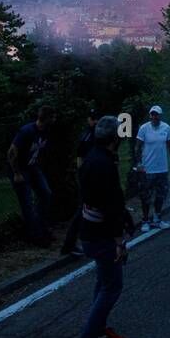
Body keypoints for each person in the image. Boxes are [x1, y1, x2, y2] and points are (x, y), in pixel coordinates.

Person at [72, 115, 137, 338]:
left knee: (102, 283)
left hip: (91, 232)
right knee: (112, 286)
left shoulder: (93, 157)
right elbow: (110, 206)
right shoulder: (104, 164)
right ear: (115, 137)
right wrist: (119, 241)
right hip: (101, 236)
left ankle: (98, 330)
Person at [8, 105, 56, 245]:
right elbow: (11, 153)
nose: (55, 119)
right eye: (53, 116)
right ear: (46, 118)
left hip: (32, 166)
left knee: (46, 193)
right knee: (27, 203)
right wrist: (16, 173)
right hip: (20, 169)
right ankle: (35, 236)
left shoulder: (46, 131)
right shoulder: (27, 131)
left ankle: (43, 228)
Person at [133, 104, 170, 231]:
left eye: (157, 114)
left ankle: (157, 218)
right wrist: (139, 163)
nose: (154, 117)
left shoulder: (166, 127)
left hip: (162, 168)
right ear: (150, 115)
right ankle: (145, 220)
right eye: (152, 114)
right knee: (146, 196)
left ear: (160, 115)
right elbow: (137, 147)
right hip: (148, 169)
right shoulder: (144, 128)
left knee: (161, 194)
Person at [61, 106, 99, 255]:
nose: (95, 121)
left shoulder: (98, 135)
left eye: (97, 118)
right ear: (88, 120)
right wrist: (85, 179)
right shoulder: (86, 137)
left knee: (93, 210)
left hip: (96, 177)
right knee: (83, 211)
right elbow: (80, 160)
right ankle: (69, 244)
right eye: (92, 119)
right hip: (89, 179)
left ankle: (92, 239)